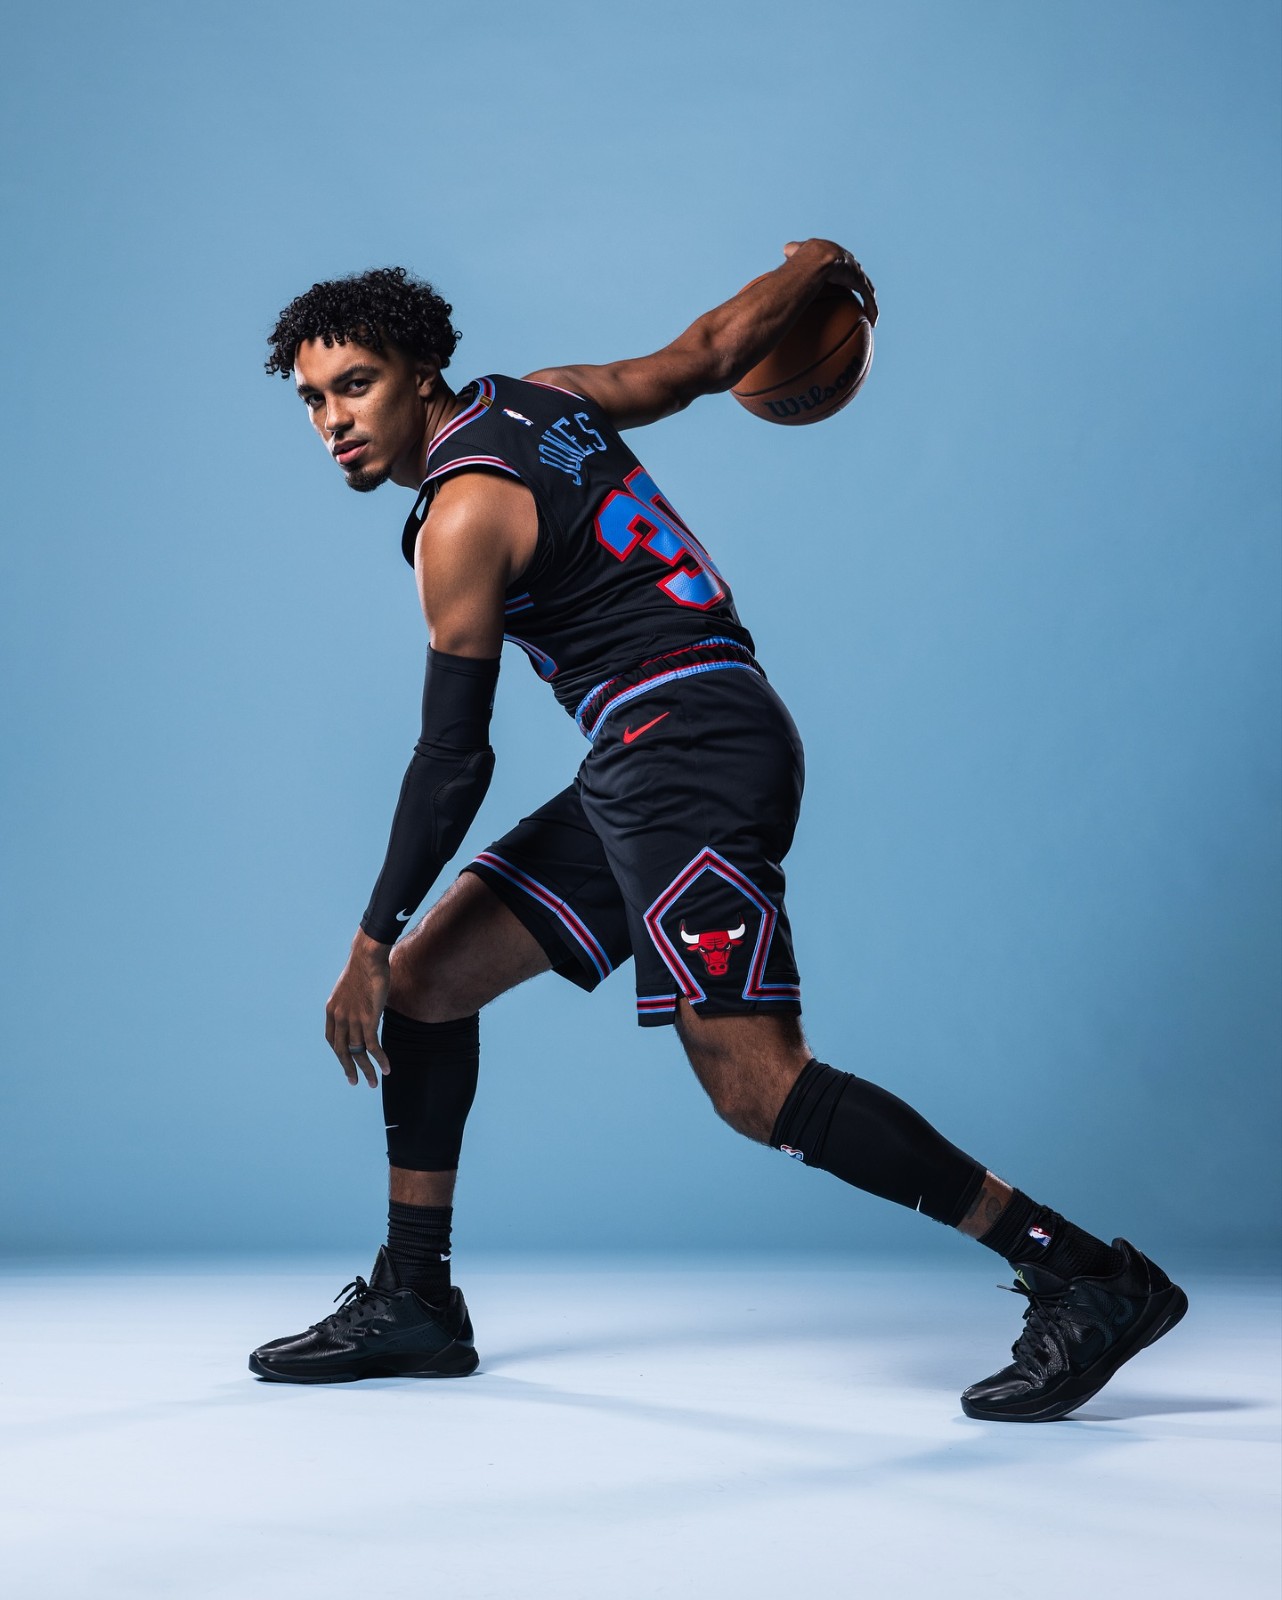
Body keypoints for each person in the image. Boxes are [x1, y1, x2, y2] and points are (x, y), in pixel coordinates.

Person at [248, 243, 1185, 1419]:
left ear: (422, 371)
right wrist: (815, 266)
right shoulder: (546, 398)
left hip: (683, 749)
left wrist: (367, 937)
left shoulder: (462, 513)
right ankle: (415, 1299)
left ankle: (1084, 1273)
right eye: (313, 400)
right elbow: (707, 354)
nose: (334, 419)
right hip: (658, 743)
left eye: (357, 384)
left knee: (754, 1083)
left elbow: (453, 760)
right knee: (433, 985)